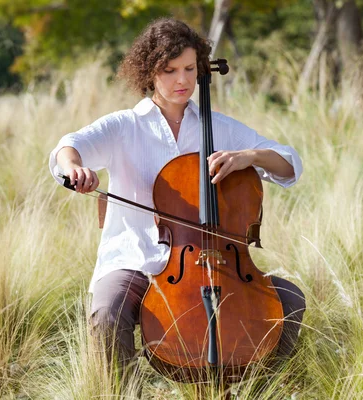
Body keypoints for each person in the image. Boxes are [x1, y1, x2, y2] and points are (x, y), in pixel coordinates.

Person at [49, 18, 305, 371]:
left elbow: (289, 164)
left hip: (212, 261)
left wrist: (250, 156)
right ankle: (123, 394)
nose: (182, 80)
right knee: (108, 312)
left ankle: (259, 384)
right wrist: (74, 168)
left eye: (189, 68)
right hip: (134, 258)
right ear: (149, 72)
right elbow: (69, 146)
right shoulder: (125, 126)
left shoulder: (219, 128)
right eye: (169, 70)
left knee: (290, 300)